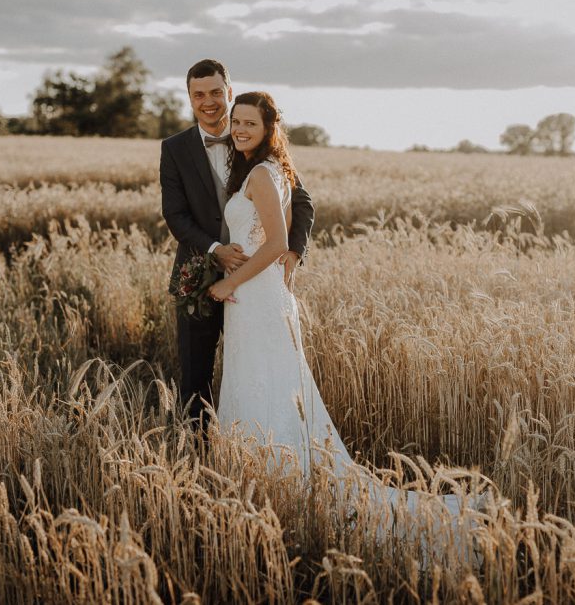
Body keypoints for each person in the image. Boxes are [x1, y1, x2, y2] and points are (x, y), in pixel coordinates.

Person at [208, 91, 485, 566]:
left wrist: (228, 282)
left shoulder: (259, 172)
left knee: (268, 385)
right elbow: (277, 240)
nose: (240, 129)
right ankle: (268, 481)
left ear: (269, 126)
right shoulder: (271, 170)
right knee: (266, 384)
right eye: (236, 122)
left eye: (249, 122)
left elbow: (275, 242)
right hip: (258, 296)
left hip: (253, 294)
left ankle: (277, 482)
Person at [159, 60, 314, 432]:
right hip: (198, 276)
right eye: (199, 95)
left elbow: (300, 200)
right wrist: (215, 248)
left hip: (255, 282)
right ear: (190, 98)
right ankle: (200, 455)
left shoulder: (251, 136)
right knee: (195, 376)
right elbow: (176, 216)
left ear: (228, 92)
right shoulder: (174, 148)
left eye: (215, 92)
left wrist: (293, 252)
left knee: (258, 368)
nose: (208, 102)